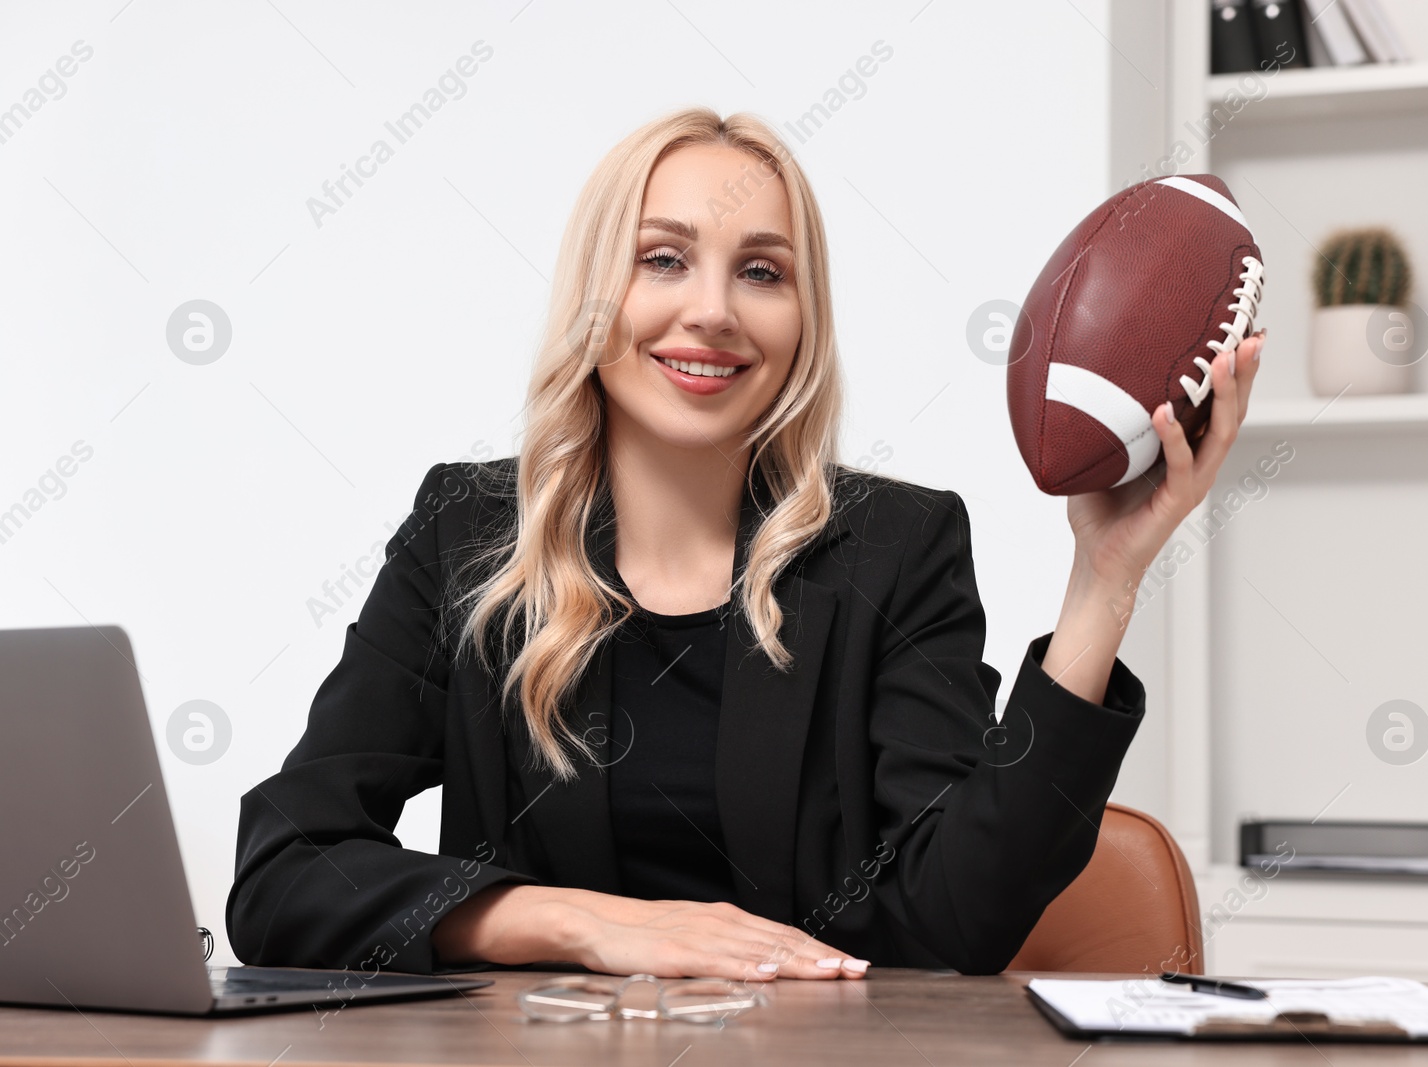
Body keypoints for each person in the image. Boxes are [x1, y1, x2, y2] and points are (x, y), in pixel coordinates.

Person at [226, 106, 1265, 983]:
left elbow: (956, 919)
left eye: (762, 272)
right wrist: (586, 923)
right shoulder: (467, 535)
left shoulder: (897, 546)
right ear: (600, 294)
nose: (712, 311)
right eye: (663, 259)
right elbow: (285, 868)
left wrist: (1103, 581)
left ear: (803, 320)